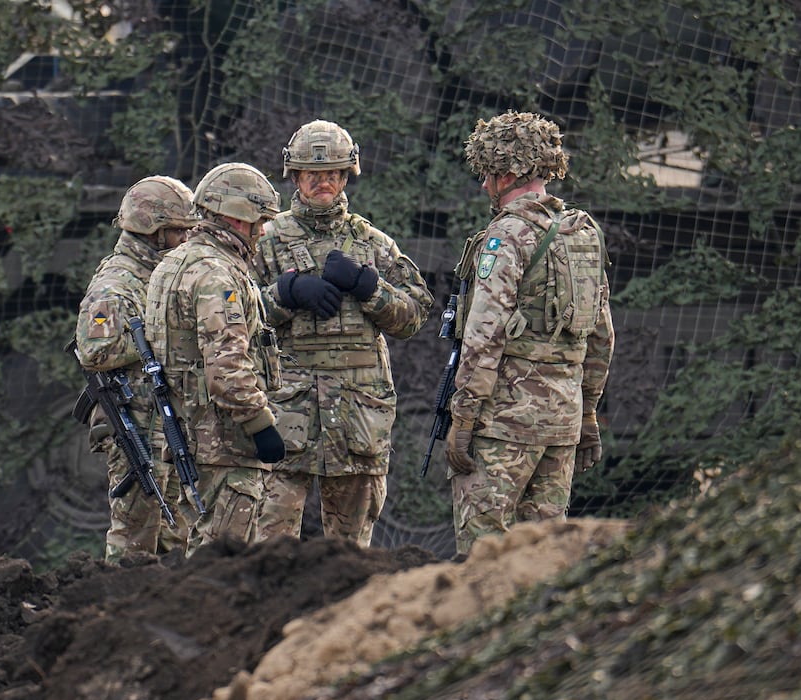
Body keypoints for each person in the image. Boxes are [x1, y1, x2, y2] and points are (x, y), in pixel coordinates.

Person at [254, 120, 433, 547]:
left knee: (351, 553)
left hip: (356, 418)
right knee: (268, 549)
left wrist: (368, 286)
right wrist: (286, 293)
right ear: (295, 177)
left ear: (347, 175)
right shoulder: (266, 241)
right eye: (313, 175)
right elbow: (232, 317)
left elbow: (414, 316)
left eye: (332, 174)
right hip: (285, 414)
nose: (323, 183)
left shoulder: (373, 243)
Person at [445, 110, 614, 559]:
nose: (485, 185)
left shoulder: (506, 236)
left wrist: (463, 418)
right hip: (562, 423)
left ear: (511, 172)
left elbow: (484, 334)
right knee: (544, 557)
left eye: (490, 174)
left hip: (504, 425)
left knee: (484, 555)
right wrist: (589, 413)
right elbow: (601, 336)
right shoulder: (583, 235)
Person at [142, 161, 285, 551]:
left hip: (190, 432)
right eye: (258, 220)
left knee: (203, 544)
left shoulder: (172, 263)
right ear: (235, 218)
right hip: (224, 440)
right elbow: (226, 367)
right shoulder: (216, 274)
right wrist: (261, 424)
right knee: (223, 557)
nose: (261, 231)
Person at [75, 175, 197, 561]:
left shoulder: (159, 275)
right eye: (177, 231)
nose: (184, 238)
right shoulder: (117, 283)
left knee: (174, 536)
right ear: (153, 231)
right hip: (135, 423)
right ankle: (119, 611)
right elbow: (95, 350)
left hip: (163, 424)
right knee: (135, 538)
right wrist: (162, 340)